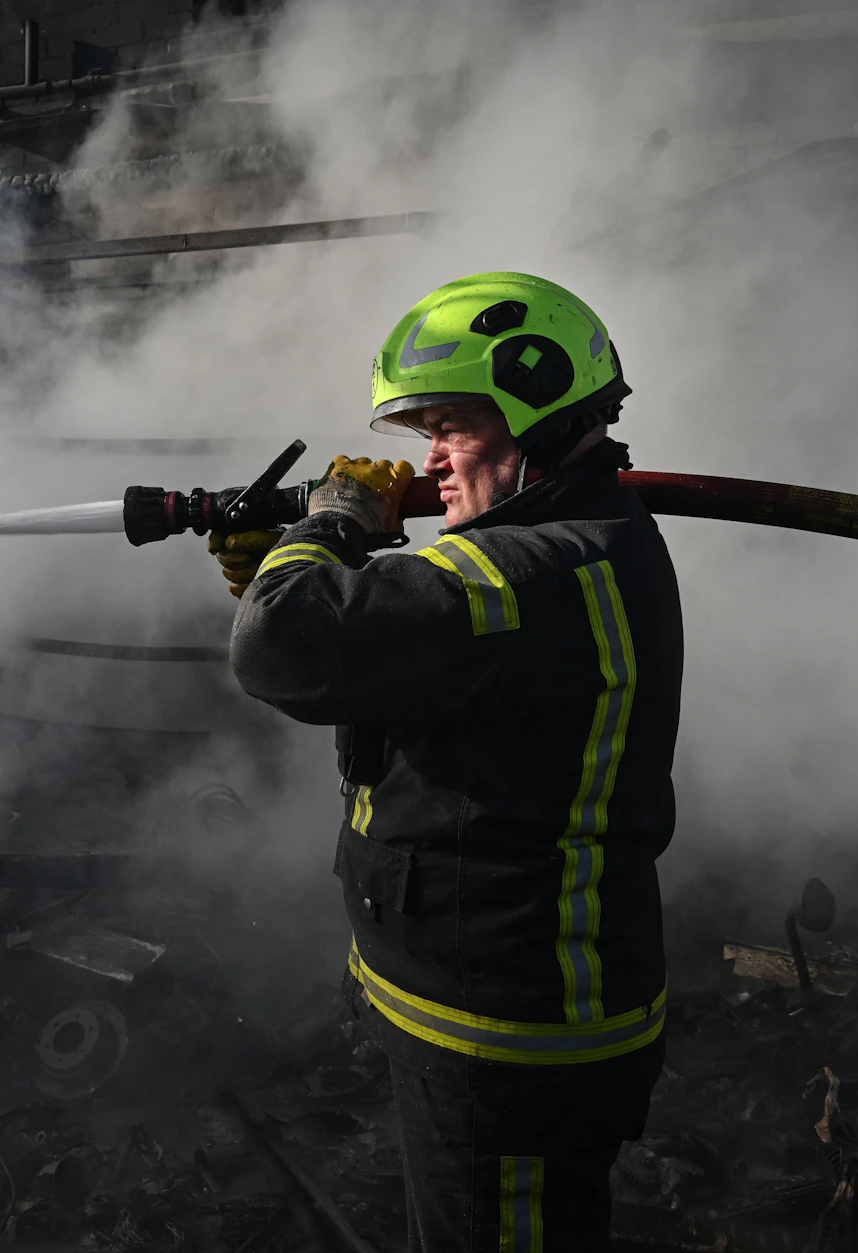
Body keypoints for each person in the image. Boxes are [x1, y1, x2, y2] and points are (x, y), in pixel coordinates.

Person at [217, 272, 682, 1252]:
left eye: (449, 429)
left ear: (540, 415)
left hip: (505, 1043)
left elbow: (280, 649)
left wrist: (328, 526)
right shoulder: (564, 553)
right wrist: (286, 567)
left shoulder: (528, 573)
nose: (427, 464)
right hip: (482, 1014)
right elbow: (364, 653)